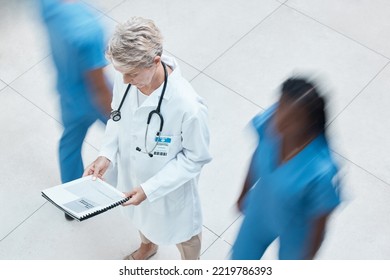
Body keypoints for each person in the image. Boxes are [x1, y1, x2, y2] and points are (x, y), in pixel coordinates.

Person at [83, 17, 212, 260]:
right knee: (141, 216)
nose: (123, 81)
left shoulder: (188, 106)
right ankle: (148, 246)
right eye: (120, 73)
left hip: (167, 187)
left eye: (130, 74)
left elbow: (196, 158)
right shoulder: (129, 80)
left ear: (155, 62)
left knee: (185, 235)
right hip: (133, 175)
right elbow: (117, 117)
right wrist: (106, 154)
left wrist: (150, 188)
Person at [232, 77, 341, 260]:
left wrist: (306, 259)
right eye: (280, 107)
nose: (281, 120)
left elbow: (320, 222)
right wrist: (243, 192)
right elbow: (258, 157)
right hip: (259, 212)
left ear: (309, 124)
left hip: (295, 230)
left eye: (293, 118)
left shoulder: (321, 171)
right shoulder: (270, 124)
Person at [39, 0, 112, 220]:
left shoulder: (48, 5)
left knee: (69, 146)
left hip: (68, 94)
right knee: (129, 134)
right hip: (93, 97)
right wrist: (116, 115)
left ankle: (71, 205)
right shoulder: (89, 30)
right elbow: (99, 87)